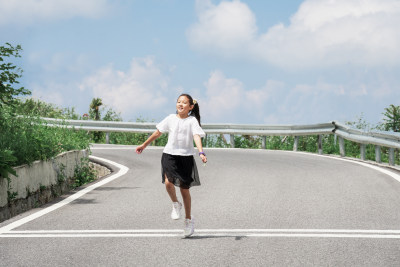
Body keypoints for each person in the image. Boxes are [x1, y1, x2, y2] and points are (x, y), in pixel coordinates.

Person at [135, 94, 207, 237]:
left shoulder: (192, 121)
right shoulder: (170, 118)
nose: (180, 104)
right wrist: (144, 145)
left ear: (191, 107)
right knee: (168, 182)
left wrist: (201, 152)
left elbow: (196, 136)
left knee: (184, 190)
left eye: (184, 103)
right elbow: (158, 132)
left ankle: (188, 220)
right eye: (178, 102)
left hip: (185, 157)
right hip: (169, 155)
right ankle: (175, 204)